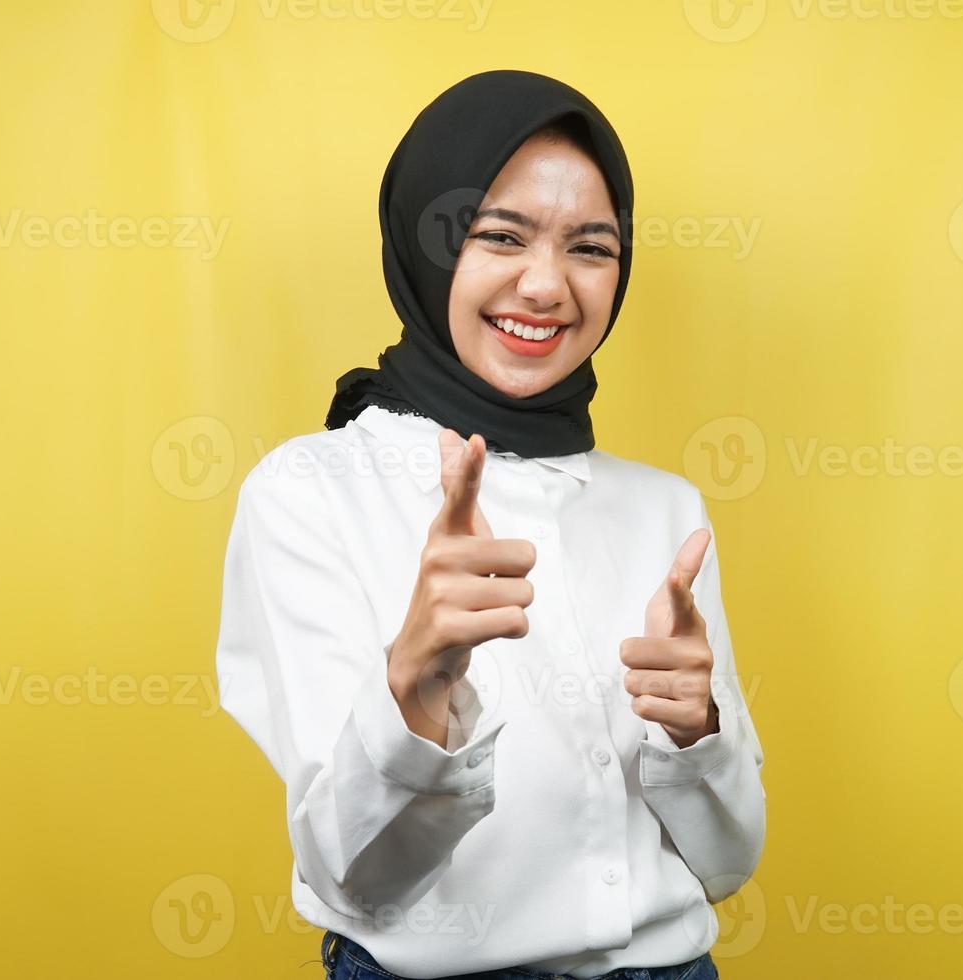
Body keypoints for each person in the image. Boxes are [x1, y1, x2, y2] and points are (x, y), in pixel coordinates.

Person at [215, 69, 765, 980]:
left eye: (591, 247)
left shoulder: (667, 509)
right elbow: (355, 880)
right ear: (426, 247)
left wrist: (696, 732)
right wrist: (416, 689)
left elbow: (728, 863)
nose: (546, 286)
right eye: (499, 236)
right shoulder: (310, 492)